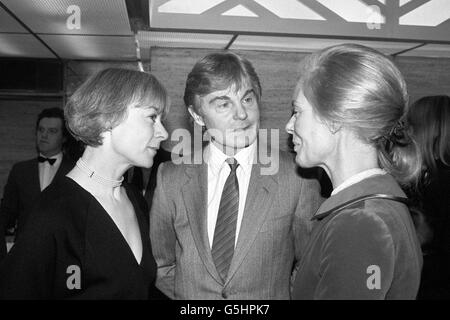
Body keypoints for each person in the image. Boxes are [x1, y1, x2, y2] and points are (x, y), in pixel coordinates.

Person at [150, 51, 323, 299]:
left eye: (247, 99)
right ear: (198, 116)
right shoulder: (171, 178)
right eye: (223, 104)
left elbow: (308, 265)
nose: (241, 114)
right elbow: (162, 264)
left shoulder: (297, 178)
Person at [0, 68, 169, 299]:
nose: (164, 133)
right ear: (109, 117)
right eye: (152, 117)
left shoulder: (134, 199)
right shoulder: (54, 212)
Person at [286, 44, 423, 299]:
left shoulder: (360, 223)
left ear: (335, 119)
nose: (289, 125)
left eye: (297, 112)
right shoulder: (368, 210)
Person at [0, 107, 75, 241]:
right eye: (41, 130)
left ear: (64, 138)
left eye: (52, 131)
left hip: (62, 251)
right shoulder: (20, 170)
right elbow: (6, 213)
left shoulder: (75, 171)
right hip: (24, 249)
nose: (44, 135)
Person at [407, 95, 450, 299]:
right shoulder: (425, 178)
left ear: (429, 133)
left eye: (411, 127)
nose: (406, 134)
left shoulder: (441, 184)